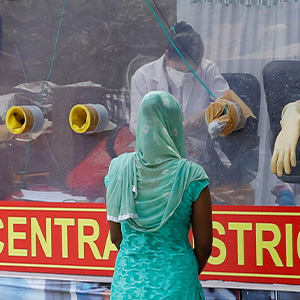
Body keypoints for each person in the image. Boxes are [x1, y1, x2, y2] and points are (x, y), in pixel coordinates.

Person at [105, 91, 213, 299]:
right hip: (177, 285)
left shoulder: (118, 170)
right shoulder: (191, 175)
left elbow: (116, 236)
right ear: (174, 125)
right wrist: (183, 274)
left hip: (128, 286)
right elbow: (204, 246)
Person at [129, 21, 229, 137]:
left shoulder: (208, 70)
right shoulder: (143, 76)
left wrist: (206, 114)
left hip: (199, 145)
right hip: (157, 147)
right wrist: (167, 134)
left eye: (191, 71)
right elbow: (136, 125)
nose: (184, 75)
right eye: (179, 70)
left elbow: (229, 107)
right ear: (167, 55)